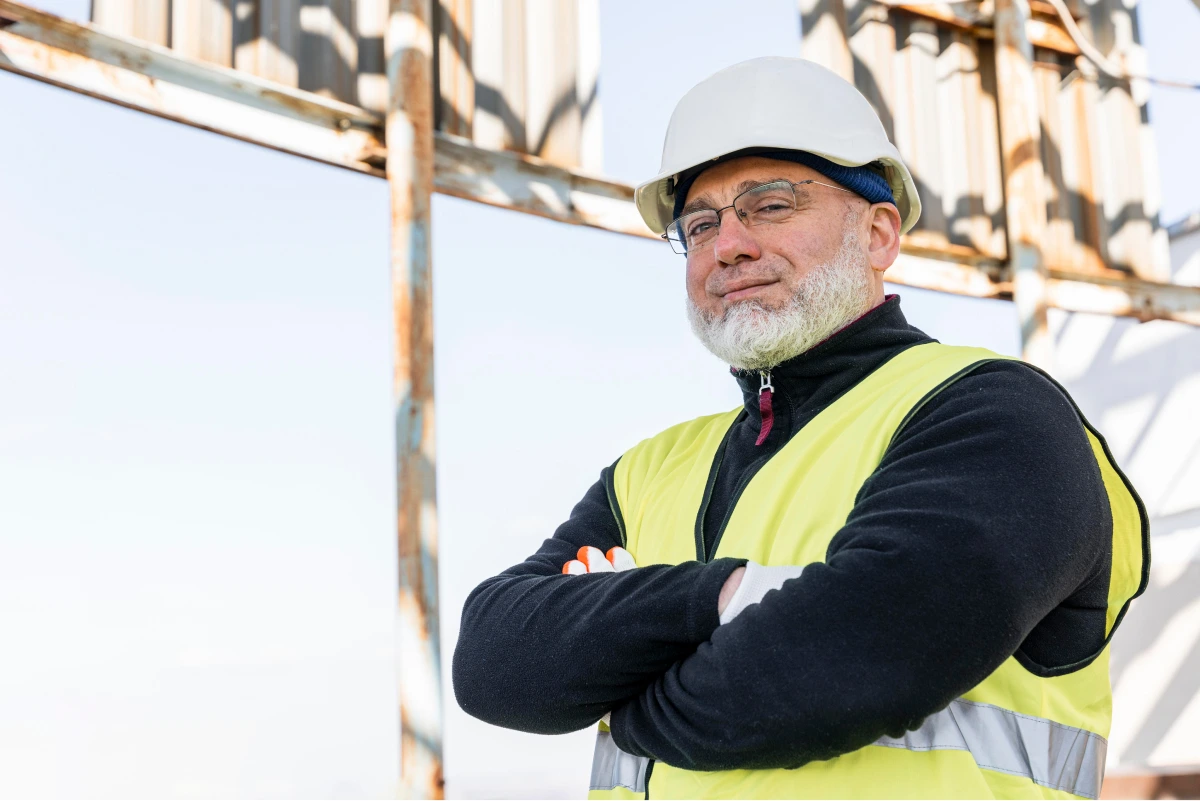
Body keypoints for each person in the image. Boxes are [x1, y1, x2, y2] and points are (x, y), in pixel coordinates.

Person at [452, 57, 1148, 800]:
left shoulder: (992, 413)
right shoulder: (649, 472)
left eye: (771, 205)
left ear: (879, 232)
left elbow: (854, 656)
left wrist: (623, 690)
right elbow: (495, 662)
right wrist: (718, 598)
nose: (728, 246)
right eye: (700, 224)